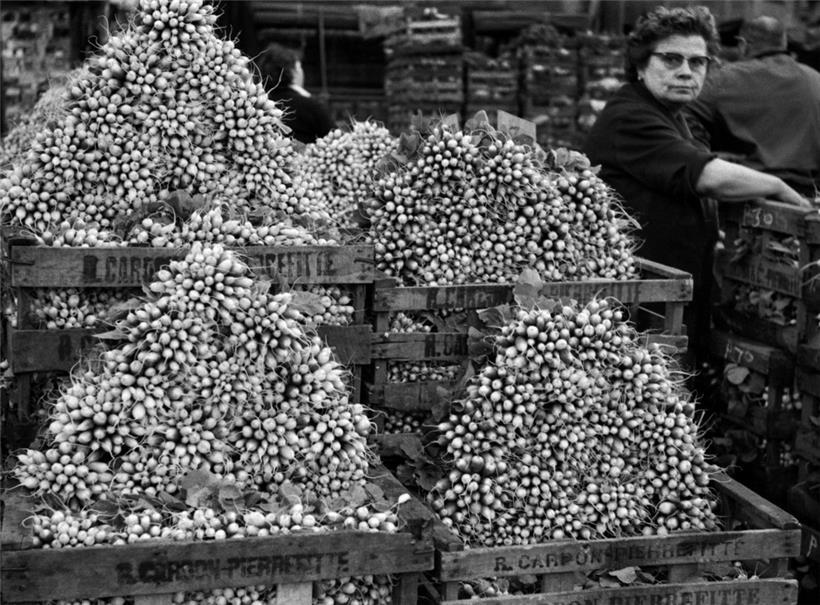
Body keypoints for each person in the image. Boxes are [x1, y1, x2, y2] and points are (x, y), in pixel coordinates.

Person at [583, 6, 810, 367]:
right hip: (639, 307)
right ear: (640, 65)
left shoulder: (671, 116)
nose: (686, 71)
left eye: (697, 62)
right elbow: (704, 174)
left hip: (669, 298)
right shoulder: (630, 116)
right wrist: (779, 187)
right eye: (671, 59)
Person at [686, 16, 820, 196]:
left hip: (744, 190)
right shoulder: (815, 79)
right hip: (806, 195)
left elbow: (682, 114)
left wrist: (707, 155)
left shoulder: (724, 79)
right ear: (784, 42)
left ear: (743, 44)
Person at [257, 43, 334, 144]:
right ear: (292, 72)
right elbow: (335, 138)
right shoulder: (311, 106)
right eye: (299, 67)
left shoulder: (257, 104)